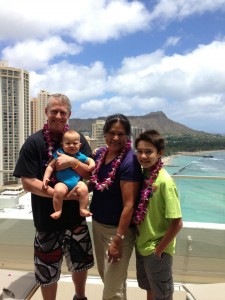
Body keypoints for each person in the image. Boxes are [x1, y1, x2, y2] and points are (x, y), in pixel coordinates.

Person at [13, 93, 94, 300]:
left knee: (80, 263)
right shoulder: (34, 143)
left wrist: (74, 163)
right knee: (46, 270)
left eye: (63, 112)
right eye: (54, 111)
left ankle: (80, 297)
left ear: (69, 115)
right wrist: (63, 196)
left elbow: (91, 174)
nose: (58, 115)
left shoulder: (79, 140)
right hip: (47, 222)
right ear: (46, 112)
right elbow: (28, 182)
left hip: (77, 219)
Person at [89, 113, 142, 300]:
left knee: (112, 291)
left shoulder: (130, 162)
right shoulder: (101, 156)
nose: (116, 138)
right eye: (112, 133)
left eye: (121, 134)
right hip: (98, 225)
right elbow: (91, 181)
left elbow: (129, 205)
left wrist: (118, 239)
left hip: (118, 231)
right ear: (105, 134)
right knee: (110, 280)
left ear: (128, 136)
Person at [132, 130, 183, 300]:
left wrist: (159, 250)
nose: (143, 156)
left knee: (163, 295)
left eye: (148, 152)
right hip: (142, 246)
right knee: (150, 290)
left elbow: (177, 222)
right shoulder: (145, 175)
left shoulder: (165, 181)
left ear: (160, 153)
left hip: (157, 250)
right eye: (139, 151)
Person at [43, 129, 95, 219]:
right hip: (62, 183)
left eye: (75, 143)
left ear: (80, 145)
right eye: (68, 143)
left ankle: (82, 209)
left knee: (84, 188)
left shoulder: (80, 156)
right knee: (58, 191)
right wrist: (46, 177)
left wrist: (92, 164)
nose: (71, 146)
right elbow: (51, 166)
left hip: (77, 183)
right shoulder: (59, 154)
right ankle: (58, 210)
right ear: (62, 145)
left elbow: (89, 159)